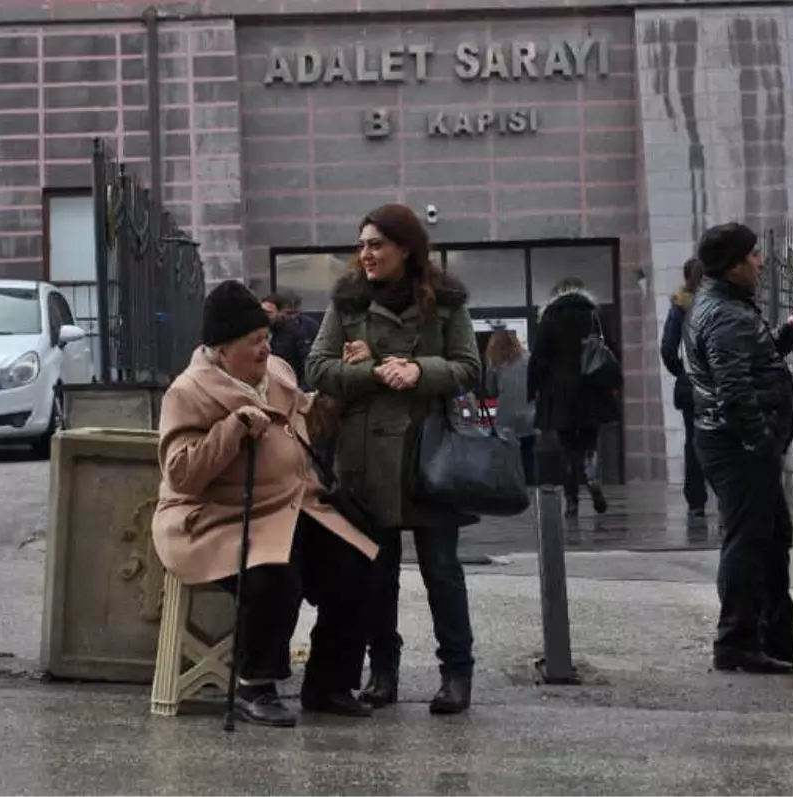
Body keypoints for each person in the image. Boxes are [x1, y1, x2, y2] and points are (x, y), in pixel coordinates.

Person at [151, 280, 379, 728]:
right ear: (221, 351)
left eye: (265, 338)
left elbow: (309, 418)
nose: (264, 349)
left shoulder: (277, 372)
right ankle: (255, 684)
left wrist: (341, 390)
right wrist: (231, 430)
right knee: (275, 576)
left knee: (356, 563)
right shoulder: (188, 391)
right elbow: (181, 474)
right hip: (219, 517)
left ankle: (329, 683)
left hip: (290, 504)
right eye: (253, 342)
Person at [305, 203, 481, 715]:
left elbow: (469, 366)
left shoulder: (446, 302)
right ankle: (382, 670)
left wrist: (421, 371)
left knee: (442, 569)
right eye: (361, 245)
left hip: (430, 455)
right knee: (374, 573)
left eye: (376, 244)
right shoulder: (348, 303)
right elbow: (317, 368)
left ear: (406, 248)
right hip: (365, 457)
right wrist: (375, 373)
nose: (366, 254)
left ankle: (457, 673)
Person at [684, 222, 793, 674]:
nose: (761, 263)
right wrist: (760, 442)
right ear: (735, 266)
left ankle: (774, 636)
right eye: (754, 256)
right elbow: (734, 389)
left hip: (739, 443)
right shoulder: (724, 314)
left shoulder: (727, 306)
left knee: (771, 538)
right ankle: (737, 640)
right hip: (737, 446)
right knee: (747, 540)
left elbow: (755, 359)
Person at [527, 278, 620, 518]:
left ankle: (571, 501)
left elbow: (538, 359)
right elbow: (611, 349)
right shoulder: (593, 317)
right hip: (592, 390)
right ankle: (592, 475)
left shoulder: (549, 319)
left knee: (568, 449)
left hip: (560, 394)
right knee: (589, 442)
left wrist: (533, 389)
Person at [661, 258, 710, 518]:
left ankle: (696, 501)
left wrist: (681, 372)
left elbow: (668, 347)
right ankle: (724, 496)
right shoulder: (721, 300)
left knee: (694, 441)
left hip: (691, 385)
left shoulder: (681, 304)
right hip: (720, 381)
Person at [484, 328, 536, 486]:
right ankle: (530, 488)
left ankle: (511, 486)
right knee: (528, 454)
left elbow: (490, 390)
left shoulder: (495, 363)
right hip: (529, 415)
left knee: (508, 455)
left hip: (506, 417)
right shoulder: (529, 358)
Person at [263, 291, 318, 389]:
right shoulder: (260, 332)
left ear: (280, 312)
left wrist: (302, 391)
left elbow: (306, 363)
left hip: (289, 386)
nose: (264, 316)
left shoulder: (295, 331)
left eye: (268, 313)